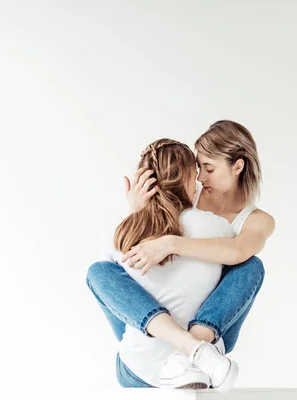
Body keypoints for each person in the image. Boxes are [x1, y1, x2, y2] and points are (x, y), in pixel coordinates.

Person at [86, 120, 275, 391]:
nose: (199, 179)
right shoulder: (192, 197)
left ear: (238, 166)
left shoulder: (256, 220)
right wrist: (137, 209)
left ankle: (188, 350)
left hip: (211, 325)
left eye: (209, 169)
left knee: (250, 265)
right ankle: (193, 350)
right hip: (166, 334)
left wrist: (171, 243)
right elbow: (131, 261)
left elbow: (237, 251)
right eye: (198, 169)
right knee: (104, 272)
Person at [102, 138, 239, 390]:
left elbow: (117, 300)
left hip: (138, 370)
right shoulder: (216, 227)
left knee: (101, 273)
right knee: (246, 266)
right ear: (188, 177)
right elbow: (239, 254)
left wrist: (136, 214)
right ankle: (194, 348)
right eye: (196, 174)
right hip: (204, 367)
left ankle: (183, 349)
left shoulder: (124, 236)